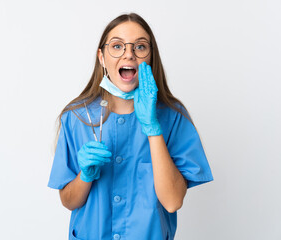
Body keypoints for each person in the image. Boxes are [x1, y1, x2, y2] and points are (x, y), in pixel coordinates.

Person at [48, 13, 213, 240]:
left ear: (150, 58)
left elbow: (173, 202)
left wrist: (153, 129)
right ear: (102, 57)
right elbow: (69, 201)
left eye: (140, 47)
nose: (129, 54)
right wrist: (84, 176)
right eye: (117, 46)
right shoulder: (76, 117)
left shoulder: (173, 118)